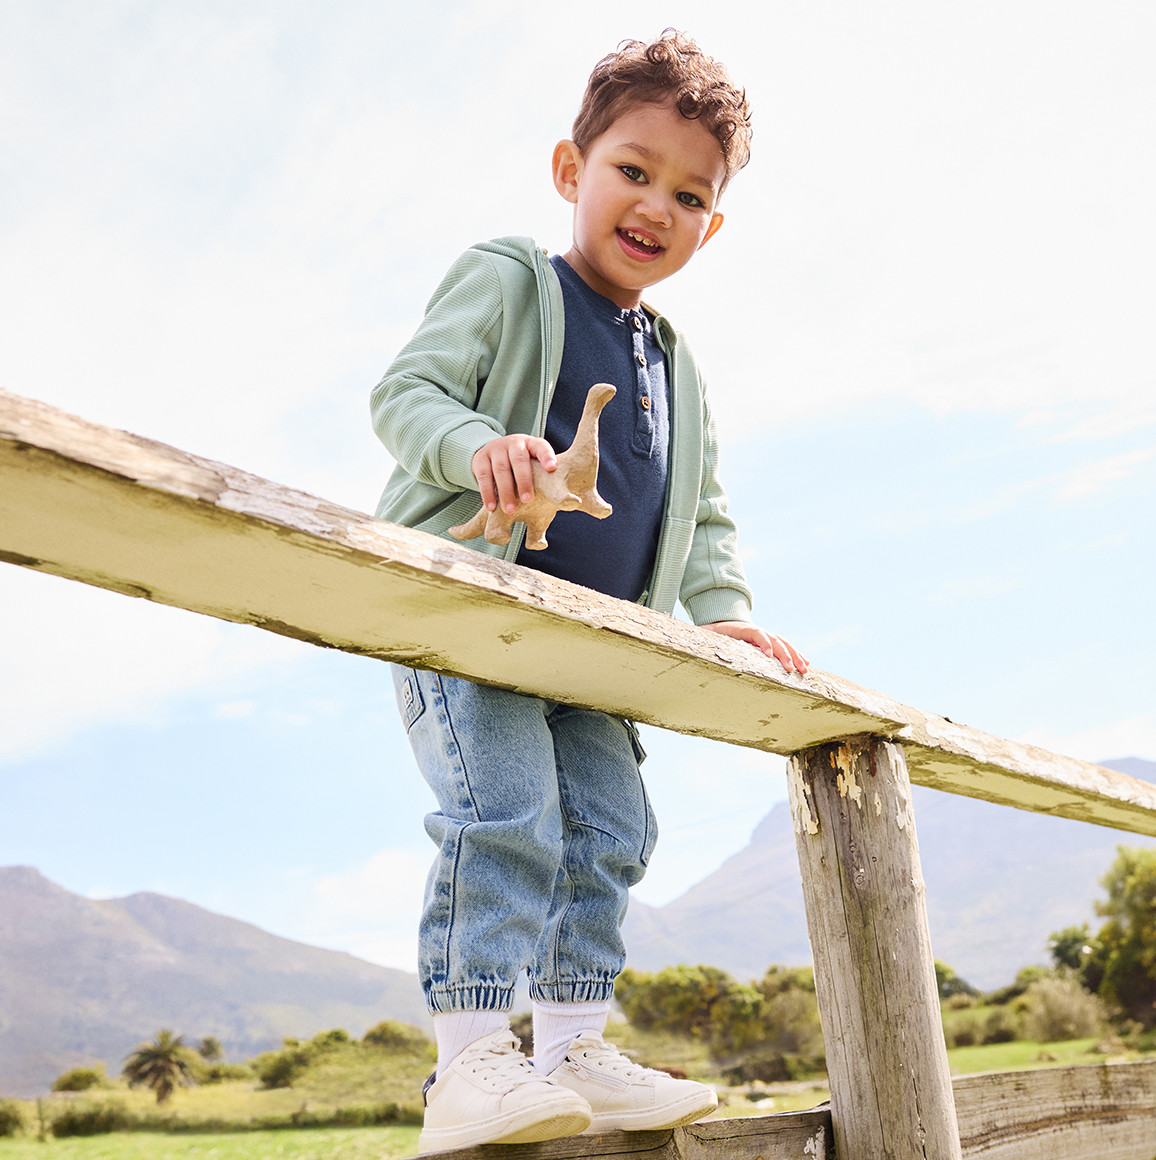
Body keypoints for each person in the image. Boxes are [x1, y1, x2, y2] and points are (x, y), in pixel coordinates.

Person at [370, 29, 809, 1153]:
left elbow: (697, 511)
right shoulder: (512, 279)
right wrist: (481, 447)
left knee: (612, 829)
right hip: (476, 620)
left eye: (688, 193)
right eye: (632, 170)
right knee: (504, 815)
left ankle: (570, 1045)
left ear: (711, 223)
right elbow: (406, 391)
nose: (655, 204)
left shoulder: (675, 364)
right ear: (571, 169)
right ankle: (469, 1062)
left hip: (597, 651)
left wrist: (722, 614)